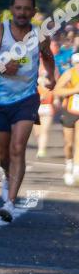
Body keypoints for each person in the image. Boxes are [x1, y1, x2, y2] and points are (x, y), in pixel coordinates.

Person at [0, 0, 55, 222]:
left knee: (18, 147)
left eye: (27, 9)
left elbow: (48, 57)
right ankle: (7, 177)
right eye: (18, 8)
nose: (22, 13)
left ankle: (10, 202)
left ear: (33, 12)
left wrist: (51, 77)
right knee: (3, 152)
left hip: (26, 99)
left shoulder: (39, 35)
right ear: (12, 9)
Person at [53, 52, 79, 186]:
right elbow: (56, 91)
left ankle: (76, 169)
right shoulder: (69, 74)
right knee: (69, 144)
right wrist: (74, 90)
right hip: (69, 111)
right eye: (77, 64)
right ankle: (69, 162)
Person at [34, 73, 55, 159]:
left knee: (44, 131)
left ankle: (41, 150)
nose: (44, 80)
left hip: (47, 108)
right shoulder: (35, 87)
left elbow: (55, 98)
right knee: (37, 132)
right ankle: (40, 145)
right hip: (36, 109)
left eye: (46, 78)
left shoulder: (50, 87)